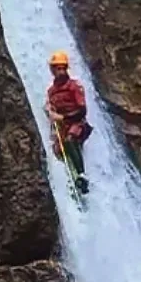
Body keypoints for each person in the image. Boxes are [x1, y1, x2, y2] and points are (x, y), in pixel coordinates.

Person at [45, 50, 91, 190]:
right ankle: (69, 183)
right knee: (57, 151)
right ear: (52, 70)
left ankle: (82, 176)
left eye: (63, 68)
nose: (61, 72)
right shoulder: (51, 91)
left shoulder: (74, 87)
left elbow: (82, 111)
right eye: (58, 68)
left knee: (70, 140)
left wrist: (62, 117)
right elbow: (51, 110)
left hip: (78, 124)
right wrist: (49, 110)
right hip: (63, 127)